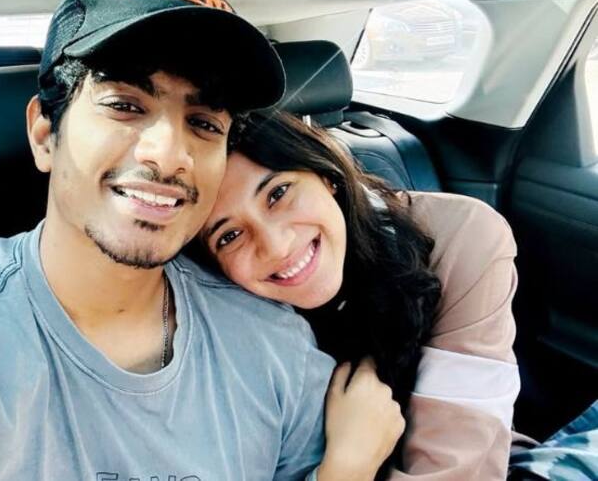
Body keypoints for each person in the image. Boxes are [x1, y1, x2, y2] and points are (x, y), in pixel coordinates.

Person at [0, 0, 404, 480]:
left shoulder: (273, 344)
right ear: (45, 134)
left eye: (204, 123)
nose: (169, 153)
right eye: (125, 106)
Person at [199, 112, 521, 480]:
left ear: (324, 172)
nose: (276, 246)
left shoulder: (460, 239)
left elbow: (460, 467)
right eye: (229, 236)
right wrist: (349, 465)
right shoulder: (220, 319)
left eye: (278, 193)